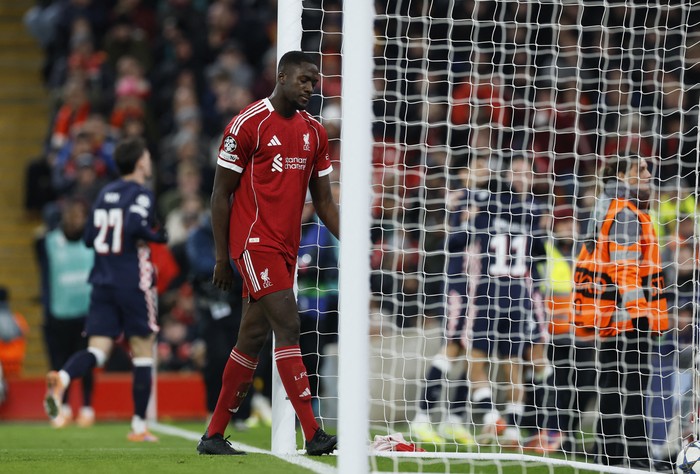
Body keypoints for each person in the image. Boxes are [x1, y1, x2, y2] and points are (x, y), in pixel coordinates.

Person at [196, 50, 340, 456]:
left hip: (287, 249)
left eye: (315, 82)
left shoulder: (315, 132)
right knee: (289, 325)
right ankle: (313, 433)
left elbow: (325, 202)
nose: (311, 88)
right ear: (281, 76)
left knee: (251, 338)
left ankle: (212, 436)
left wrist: (355, 241)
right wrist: (224, 258)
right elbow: (220, 194)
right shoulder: (248, 124)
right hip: (254, 243)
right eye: (304, 80)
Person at [43, 136, 168, 442]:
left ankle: (63, 377)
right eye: (148, 156)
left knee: (97, 351)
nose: (149, 161)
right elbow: (137, 226)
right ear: (140, 162)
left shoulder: (104, 193)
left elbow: (88, 239)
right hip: (131, 281)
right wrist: (158, 236)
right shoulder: (141, 193)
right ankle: (138, 426)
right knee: (142, 351)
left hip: (101, 281)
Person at [572, 154, 669, 469]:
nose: (647, 173)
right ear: (623, 178)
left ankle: (612, 458)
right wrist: (639, 312)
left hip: (613, 315)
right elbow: (624, 268)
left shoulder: (611, 209)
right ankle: (635, 461)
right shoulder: (626, 214)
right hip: (628, 317)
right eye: (639, 169)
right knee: (632, 390)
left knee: (616, 388)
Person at [451, 147, 542, 448]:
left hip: (489, 294)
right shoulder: (528, 215)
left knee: (476, 360)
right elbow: (538, 253)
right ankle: (513, 430)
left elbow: (457, 239)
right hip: (518, 296)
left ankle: (491, 417)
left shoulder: (487, 212)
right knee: (513, 364)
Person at [36, 198, 96, 428]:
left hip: (87, 313)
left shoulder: (91, 242)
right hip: (57, 314)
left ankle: (87, 408)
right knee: (58, 364)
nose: (74, 220)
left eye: (79, 216)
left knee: (87, 361)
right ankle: (62, 409)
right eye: (71, 216)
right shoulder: (49, 242)